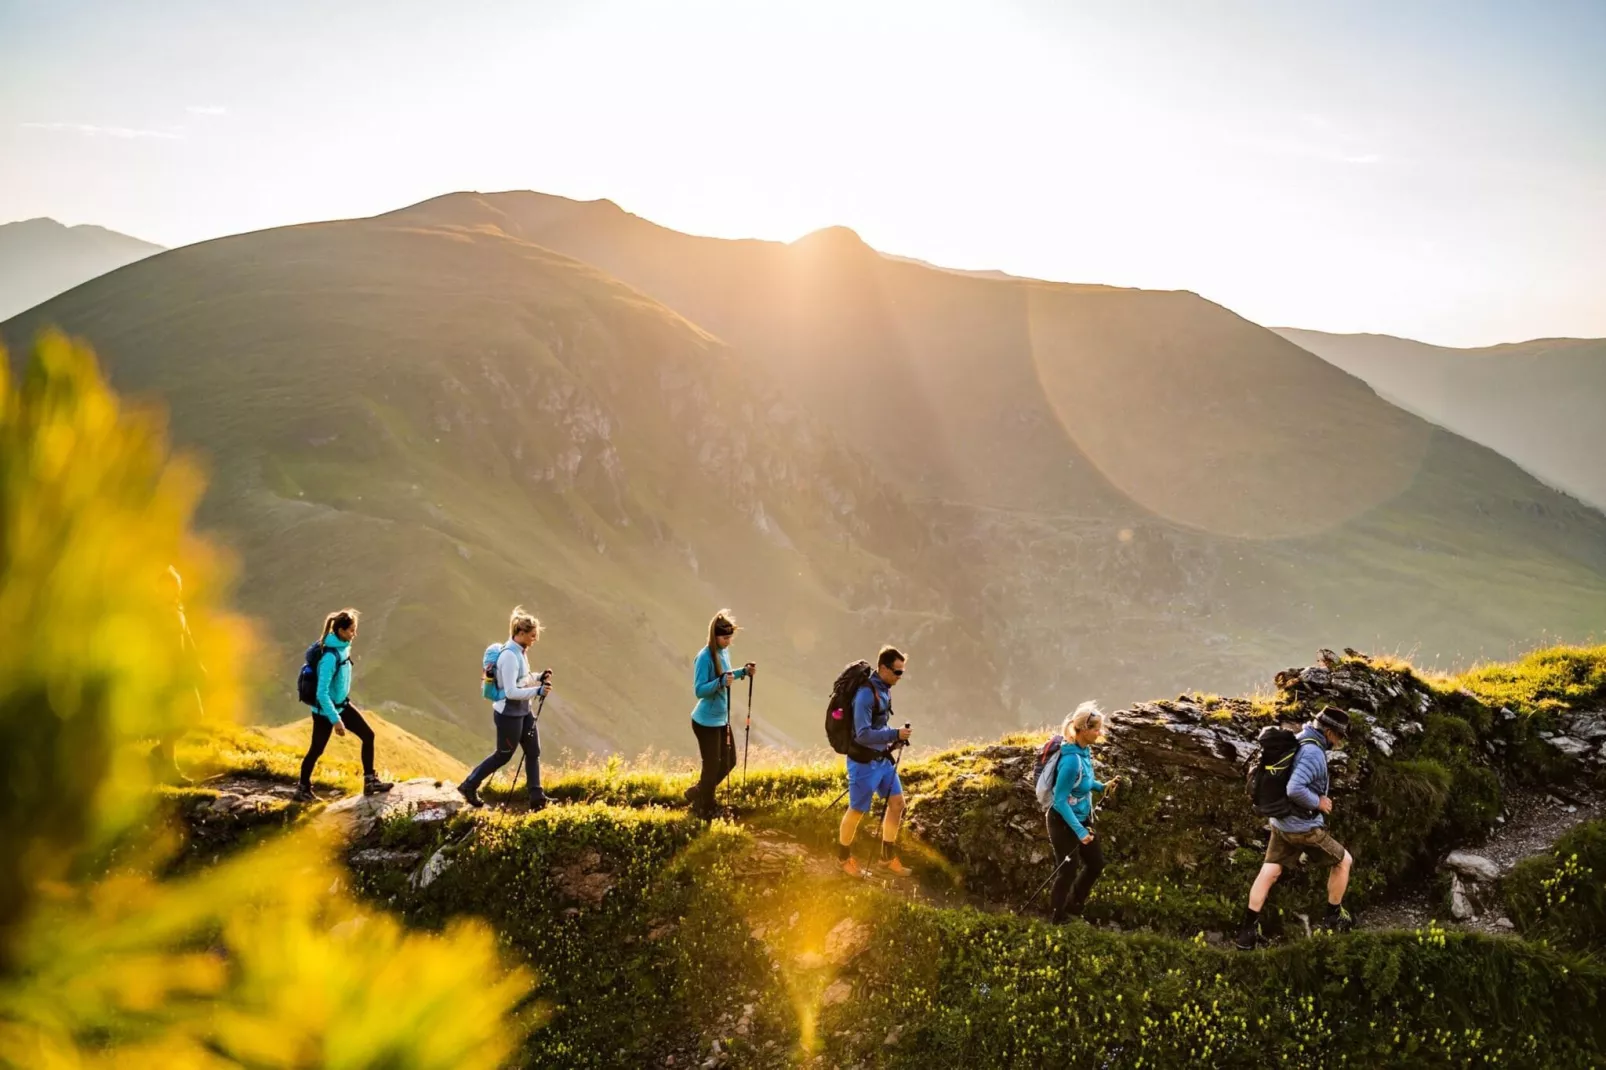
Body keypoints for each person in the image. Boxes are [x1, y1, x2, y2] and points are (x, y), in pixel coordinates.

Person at [1236, 708, 1355, 950]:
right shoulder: (1313, 752)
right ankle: (1334, 916)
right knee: (1344, 862)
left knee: (1270, 871)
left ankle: (1247, 932)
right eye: (1339, 736)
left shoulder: (1299, 738)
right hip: (1302, 827)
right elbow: (1295, 788)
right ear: (1329, 732)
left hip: (1280, 822)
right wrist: (1318, 802)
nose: (1340, 741)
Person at [458, 606, 554, 810]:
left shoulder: (520, 651)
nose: (535, 639)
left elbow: (521, 679)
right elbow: (510, 691)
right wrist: (537, 692)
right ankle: (469, 785)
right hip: (508, 714)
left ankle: (537, 798)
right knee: (503, 754)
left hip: (523, 710)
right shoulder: (510, 656)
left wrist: (537, 677)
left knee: (533, 750)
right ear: (520, 633)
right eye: (532, 635)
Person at [295, 608, 394, 801]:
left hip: (341, 705)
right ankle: (302, 789)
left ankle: (370, 781)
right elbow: (321, 693)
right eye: (351, 630)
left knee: (368, 735)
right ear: (340, 630)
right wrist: (336, 720)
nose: (354, 634)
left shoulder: (342, 646)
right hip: (325, 710)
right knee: (316, 750)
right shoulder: (329, 657)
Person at [838, 646, 914, 878]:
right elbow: (862, 734)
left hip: (882, 760)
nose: (900, 677)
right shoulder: (864, 695)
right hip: (863, 762)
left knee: (898, 804)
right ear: (882, 668)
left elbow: (878, 727)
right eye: (897, 672)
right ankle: (842, 859)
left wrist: (893, 739)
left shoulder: (885, 689)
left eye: (902, 672)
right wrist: (894, 735)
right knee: (857, 810)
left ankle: (886, 858)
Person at [1044, 702, 1120, 922]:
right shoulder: (1070, 761)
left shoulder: (1084, 752)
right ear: (1083, 731)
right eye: (1096, 729)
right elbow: (1059, 800)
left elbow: (1084, 782)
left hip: (1080, 818)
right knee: (1068, 868)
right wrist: (1079, 831)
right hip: (1061, 821)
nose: (1100, 733)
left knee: (1096, 864)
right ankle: (1057, 916)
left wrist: (1102, 786)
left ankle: (1074, 905)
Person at [686, 610, 755, 820]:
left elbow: (726, 674)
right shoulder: (704, 657)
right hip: (705, 721)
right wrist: (720, 683)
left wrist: (743, 671)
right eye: (725, 638)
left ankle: (698, 793)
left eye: (730, 637)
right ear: (715, 636)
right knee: (712, 765)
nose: (728, 641)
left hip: (721, 718)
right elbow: (699, 690)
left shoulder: (723, 652)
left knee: (729, 761)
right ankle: (705, 806)